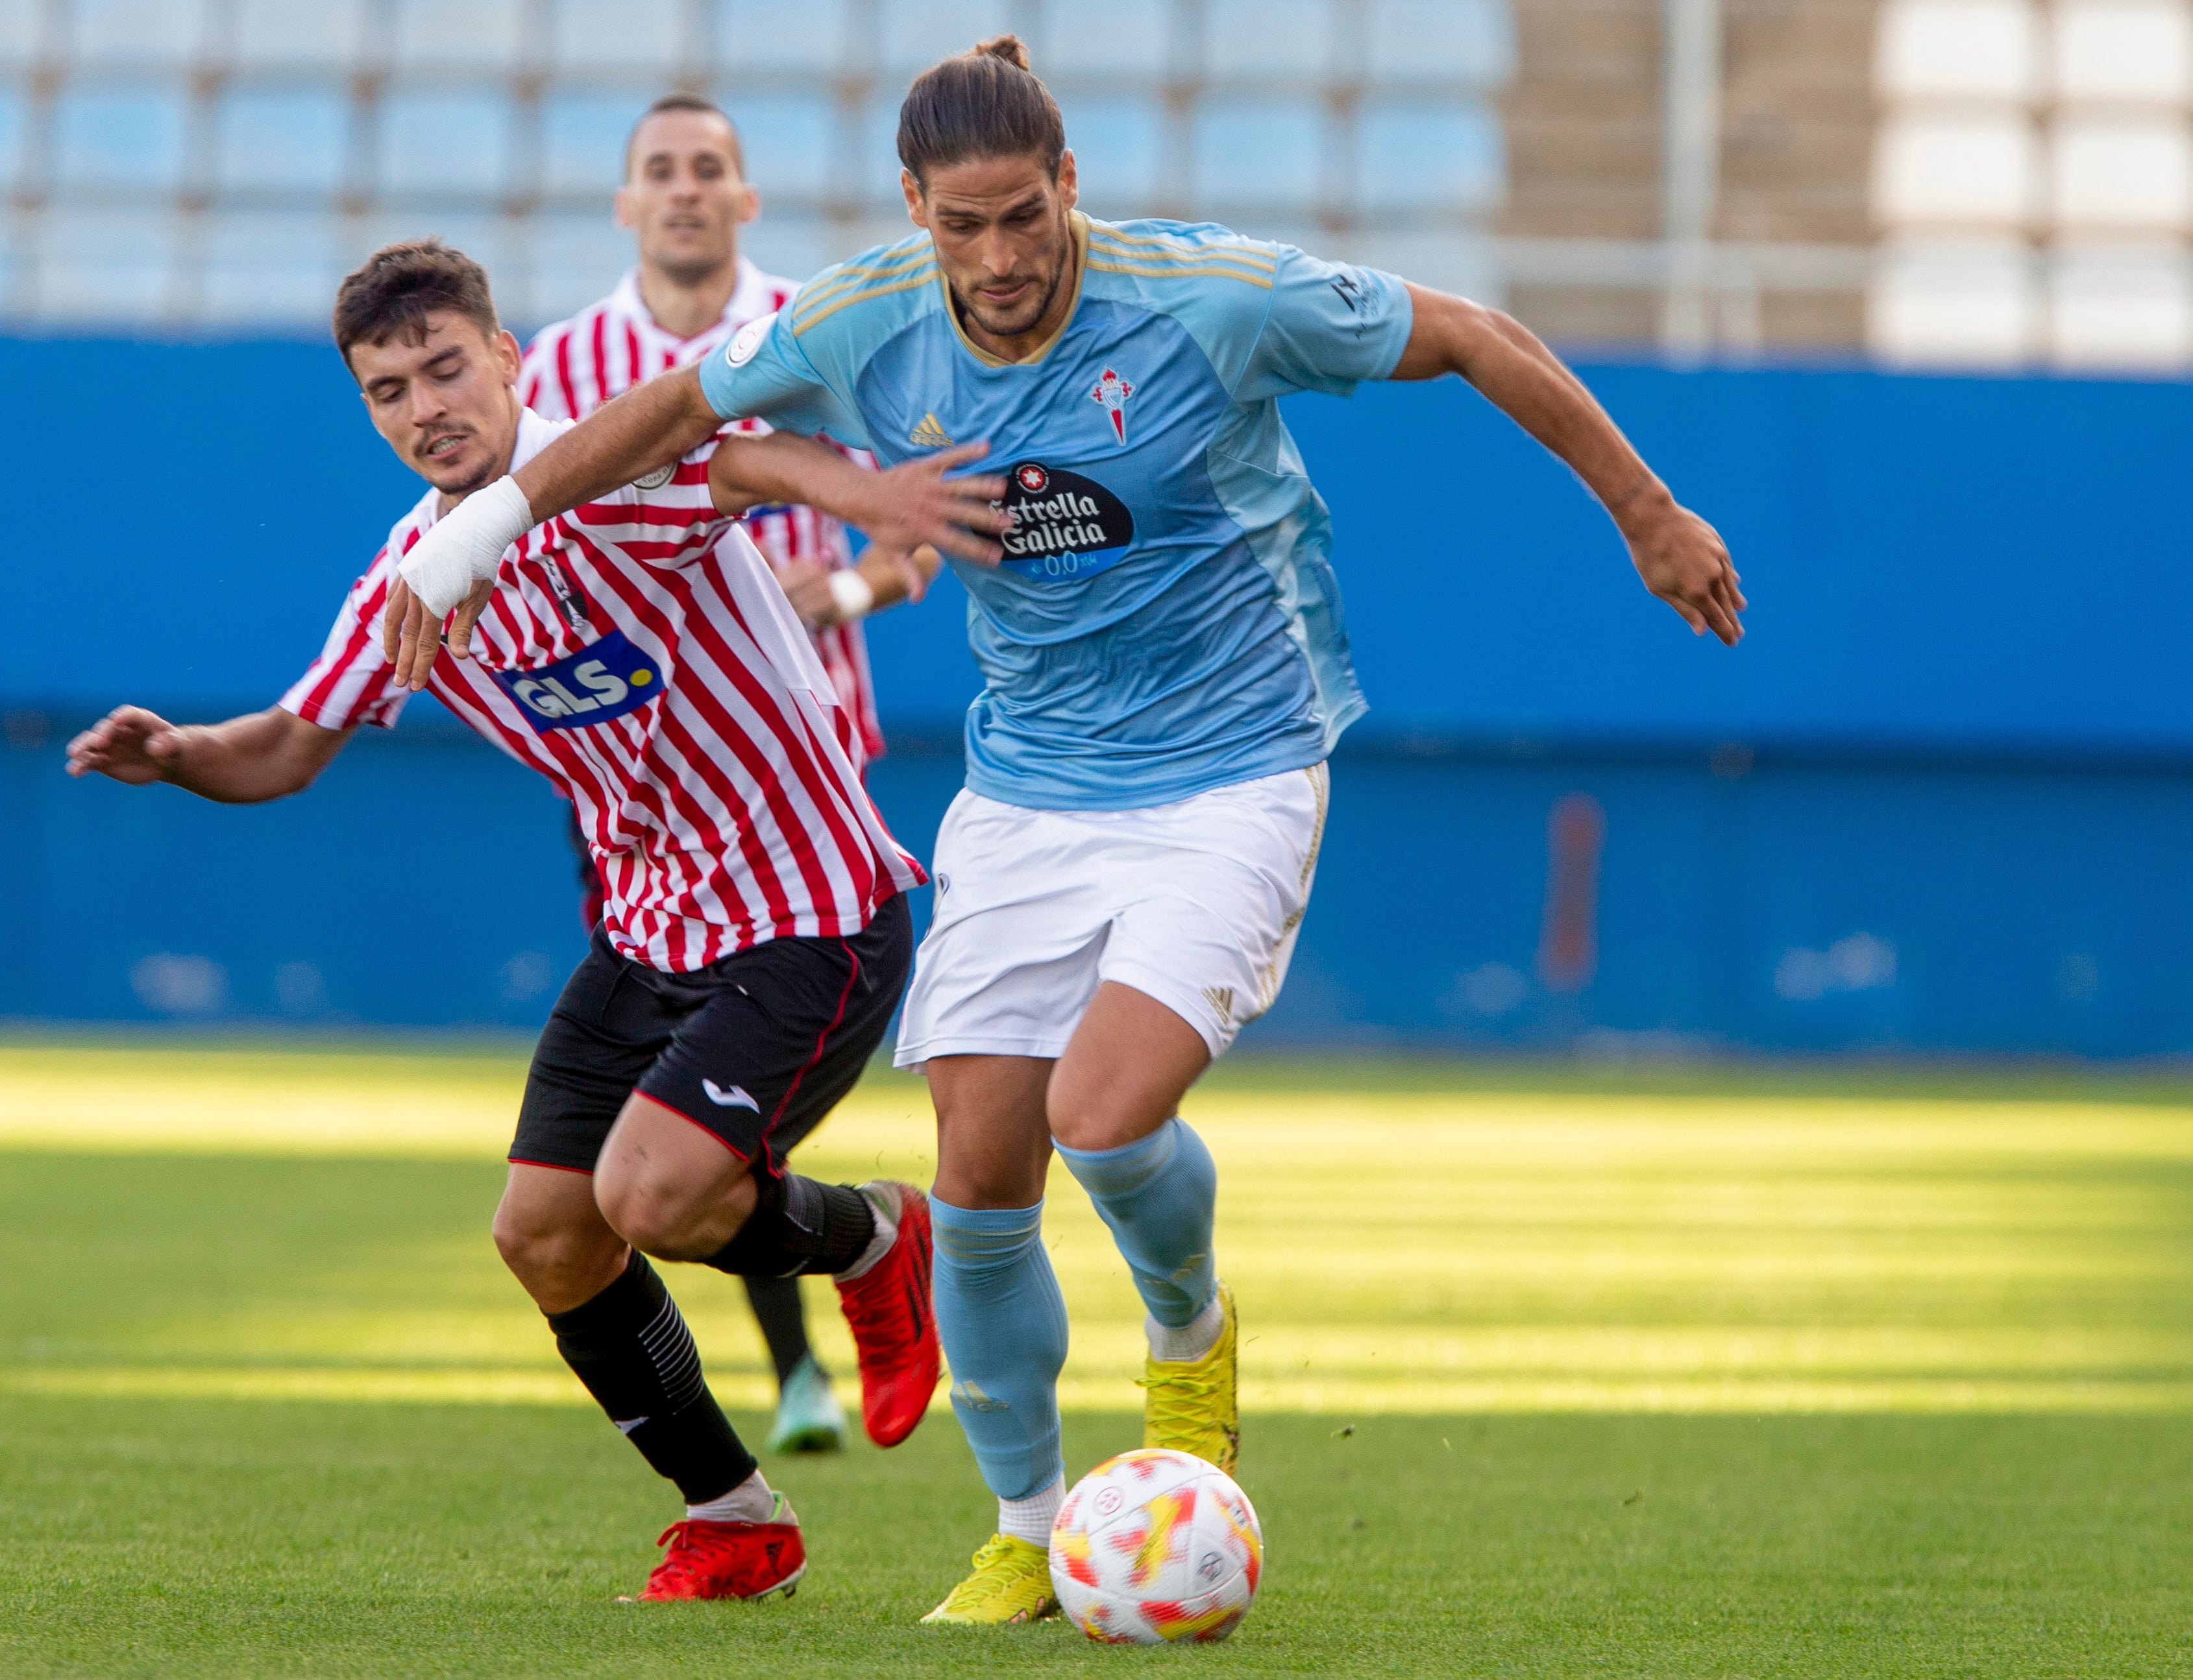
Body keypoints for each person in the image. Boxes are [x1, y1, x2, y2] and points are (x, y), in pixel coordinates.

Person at [379, 36, 1746, 1627]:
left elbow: (1476, 334)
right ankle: (1031, 1525)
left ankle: (1186, 1341)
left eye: (1026, 216)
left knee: (1103, 1114)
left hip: (1235, 763)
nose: (1003, 257)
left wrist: (1647, 511)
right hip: (1027, 785)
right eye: (964, 225)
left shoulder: (1205, 297)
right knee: (975, 1179)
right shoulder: (864, 316)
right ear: (915, 210)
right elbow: (675, 408)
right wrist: (480, 531)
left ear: (1068, 184)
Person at [64, 239, 990, 1603]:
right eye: (389, 390)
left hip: (810, 910)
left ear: (510, 360)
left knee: (652, 1195)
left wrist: (866, 495)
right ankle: (734, 1515)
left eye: (445, 365)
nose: (425, 404)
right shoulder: (414, 575)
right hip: (648, 932)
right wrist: (181, 749)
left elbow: (739, 457)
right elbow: (289, 744)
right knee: (546, 1231)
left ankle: (871, 1238)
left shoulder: (609, 479)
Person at [519, 91, 942, 1458]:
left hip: (803, 760)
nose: (687, 190)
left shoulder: (812, 340)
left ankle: (819, 1336)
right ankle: (802, 1354)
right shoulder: (567, 370)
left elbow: (906, 542)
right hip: (647, 786)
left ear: (746, 199)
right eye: (661, 170)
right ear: (626, 203)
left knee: (710, 1105)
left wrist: (837, 593)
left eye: (711, 168)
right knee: (678, 1111)